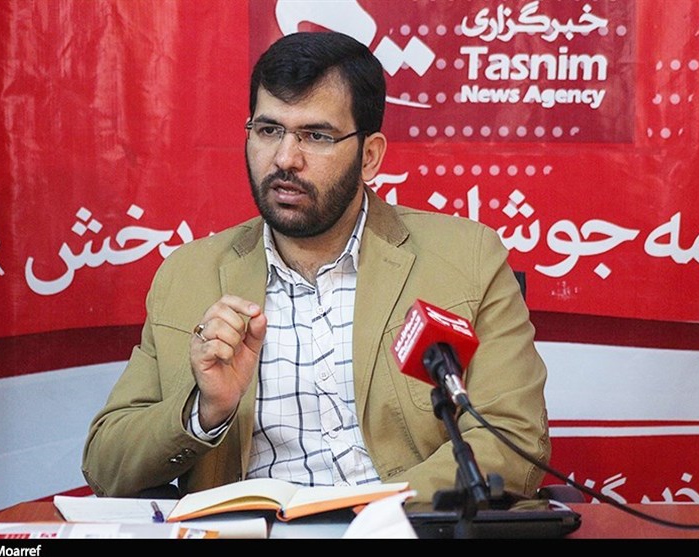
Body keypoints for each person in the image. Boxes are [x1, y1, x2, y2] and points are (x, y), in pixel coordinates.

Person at [81, 31, 551, 505]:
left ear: (370, 156)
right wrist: (205, 412)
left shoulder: (466, 258)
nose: (285, 159)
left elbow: (513, 438)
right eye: (269, 131)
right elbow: (106, 463)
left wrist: (370, 514)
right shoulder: (188, 275)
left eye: (317, 136)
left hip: (400, 525)